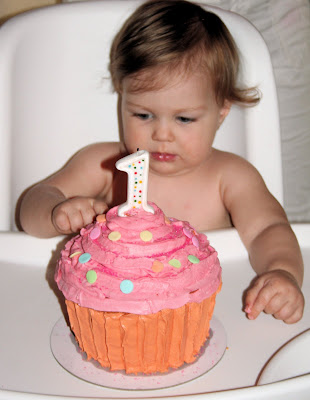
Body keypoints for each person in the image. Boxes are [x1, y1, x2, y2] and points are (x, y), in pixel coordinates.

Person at [19, 0, 304, 324]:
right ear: (121, 96)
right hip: (110, 320)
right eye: (143, 115)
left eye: (184, 119)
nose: (162, 134)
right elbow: (32, 205)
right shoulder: (105, 165)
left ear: (221, 111)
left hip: (206, 321)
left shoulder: (230, 177)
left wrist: (282, 271)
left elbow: (268, 229)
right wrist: (56, 212)